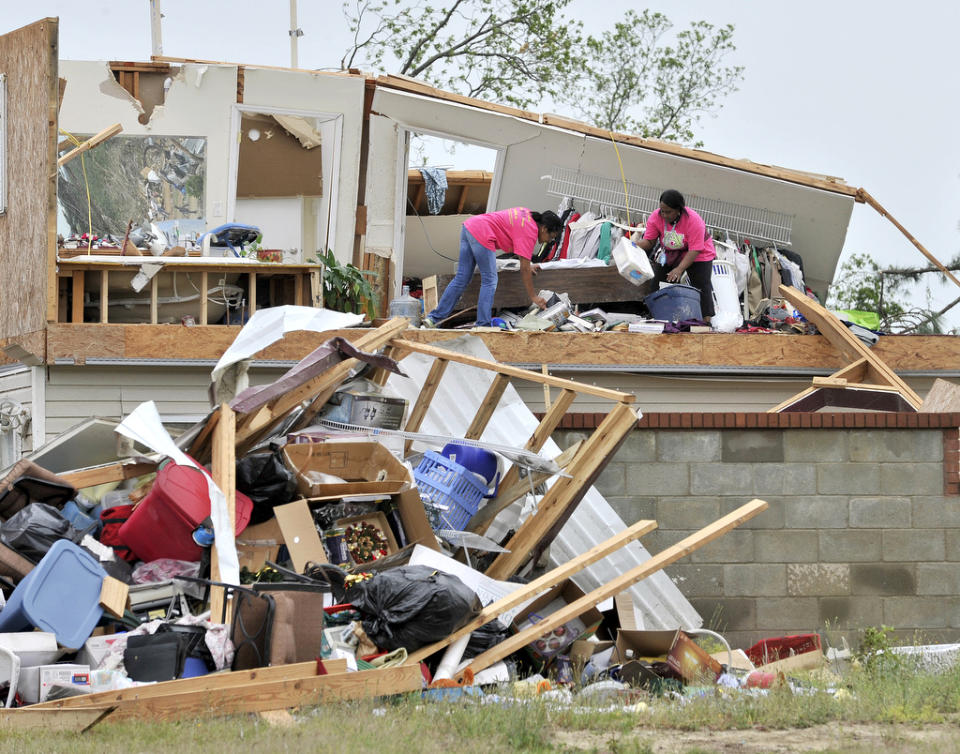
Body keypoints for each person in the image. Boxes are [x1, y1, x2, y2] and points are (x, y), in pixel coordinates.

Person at [423, 208, 563, 328]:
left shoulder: (527, 215)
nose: (548, 241)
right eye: (550, 237)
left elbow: (523, 259)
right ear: (544, 228)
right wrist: (533, 296)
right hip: (483, 234)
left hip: (469, 227)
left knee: (462, 278)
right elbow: (524, 269)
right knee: (490, 280)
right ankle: (482, 324)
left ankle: (433, 319)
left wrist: (528, 265)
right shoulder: (530, 231)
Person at [633, 189, 716, 322]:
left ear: (679, 210)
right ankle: (655, 315)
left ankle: (706, 321)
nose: (664, 215)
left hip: (697, 252)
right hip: (671, 251)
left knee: (701, 284)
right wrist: (633, 246)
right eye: (662, 211)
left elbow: (695, 249)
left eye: (668, 212)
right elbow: (649, 241)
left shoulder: (693, 220)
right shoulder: (655, 217)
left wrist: (679, 269)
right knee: (658, 281)